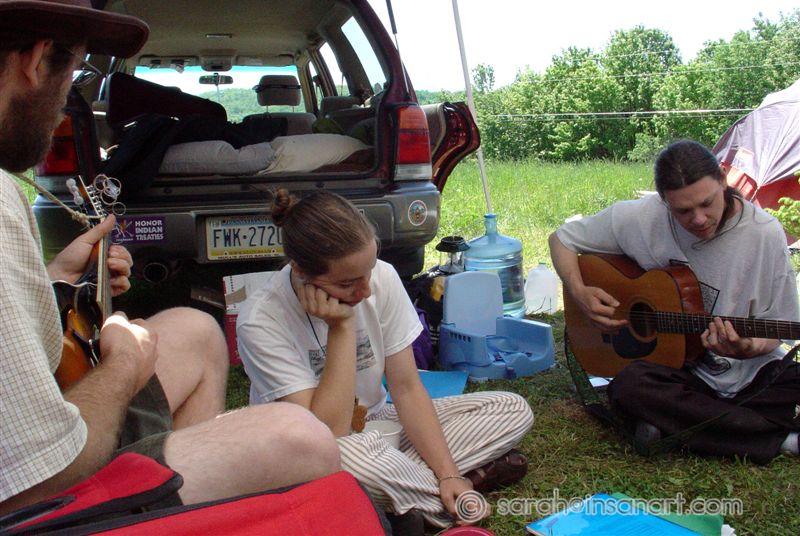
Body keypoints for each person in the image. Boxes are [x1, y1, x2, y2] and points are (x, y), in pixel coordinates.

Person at [0, 0, 340, 516]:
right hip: (34, 499)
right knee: (301, 437)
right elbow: (35, 479)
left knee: (196, 328)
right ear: (36, 61)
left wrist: (55, 278)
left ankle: (169, 514)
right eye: (74, 74)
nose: (64, 108)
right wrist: (124, 363)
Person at [237, 189, 533, 528]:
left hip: (378, 424)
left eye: (369, 271)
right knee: (350, 459)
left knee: (511, 408)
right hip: (315, 447)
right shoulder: (261, 320)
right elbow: (326, 433)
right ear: (301, 270)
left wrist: (448, 473)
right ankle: (440, 497)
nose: (365, 290)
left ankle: (413, 494)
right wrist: (341, 328)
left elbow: (406, 388)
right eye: (347, 283)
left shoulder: (382, 276)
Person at [549, 139, 800, 464]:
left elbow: (778, 329)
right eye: (683, 211)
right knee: (630, 387)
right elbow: (562, 239)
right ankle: (779, 439)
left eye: (707, 203)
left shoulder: (764, 234)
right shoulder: (641, 217)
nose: (699, 219)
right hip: (678, 373)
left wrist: (748, 348)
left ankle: (677, 425)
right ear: (663, 200)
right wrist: (579, 291)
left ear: (723, 181)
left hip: (750, 376)